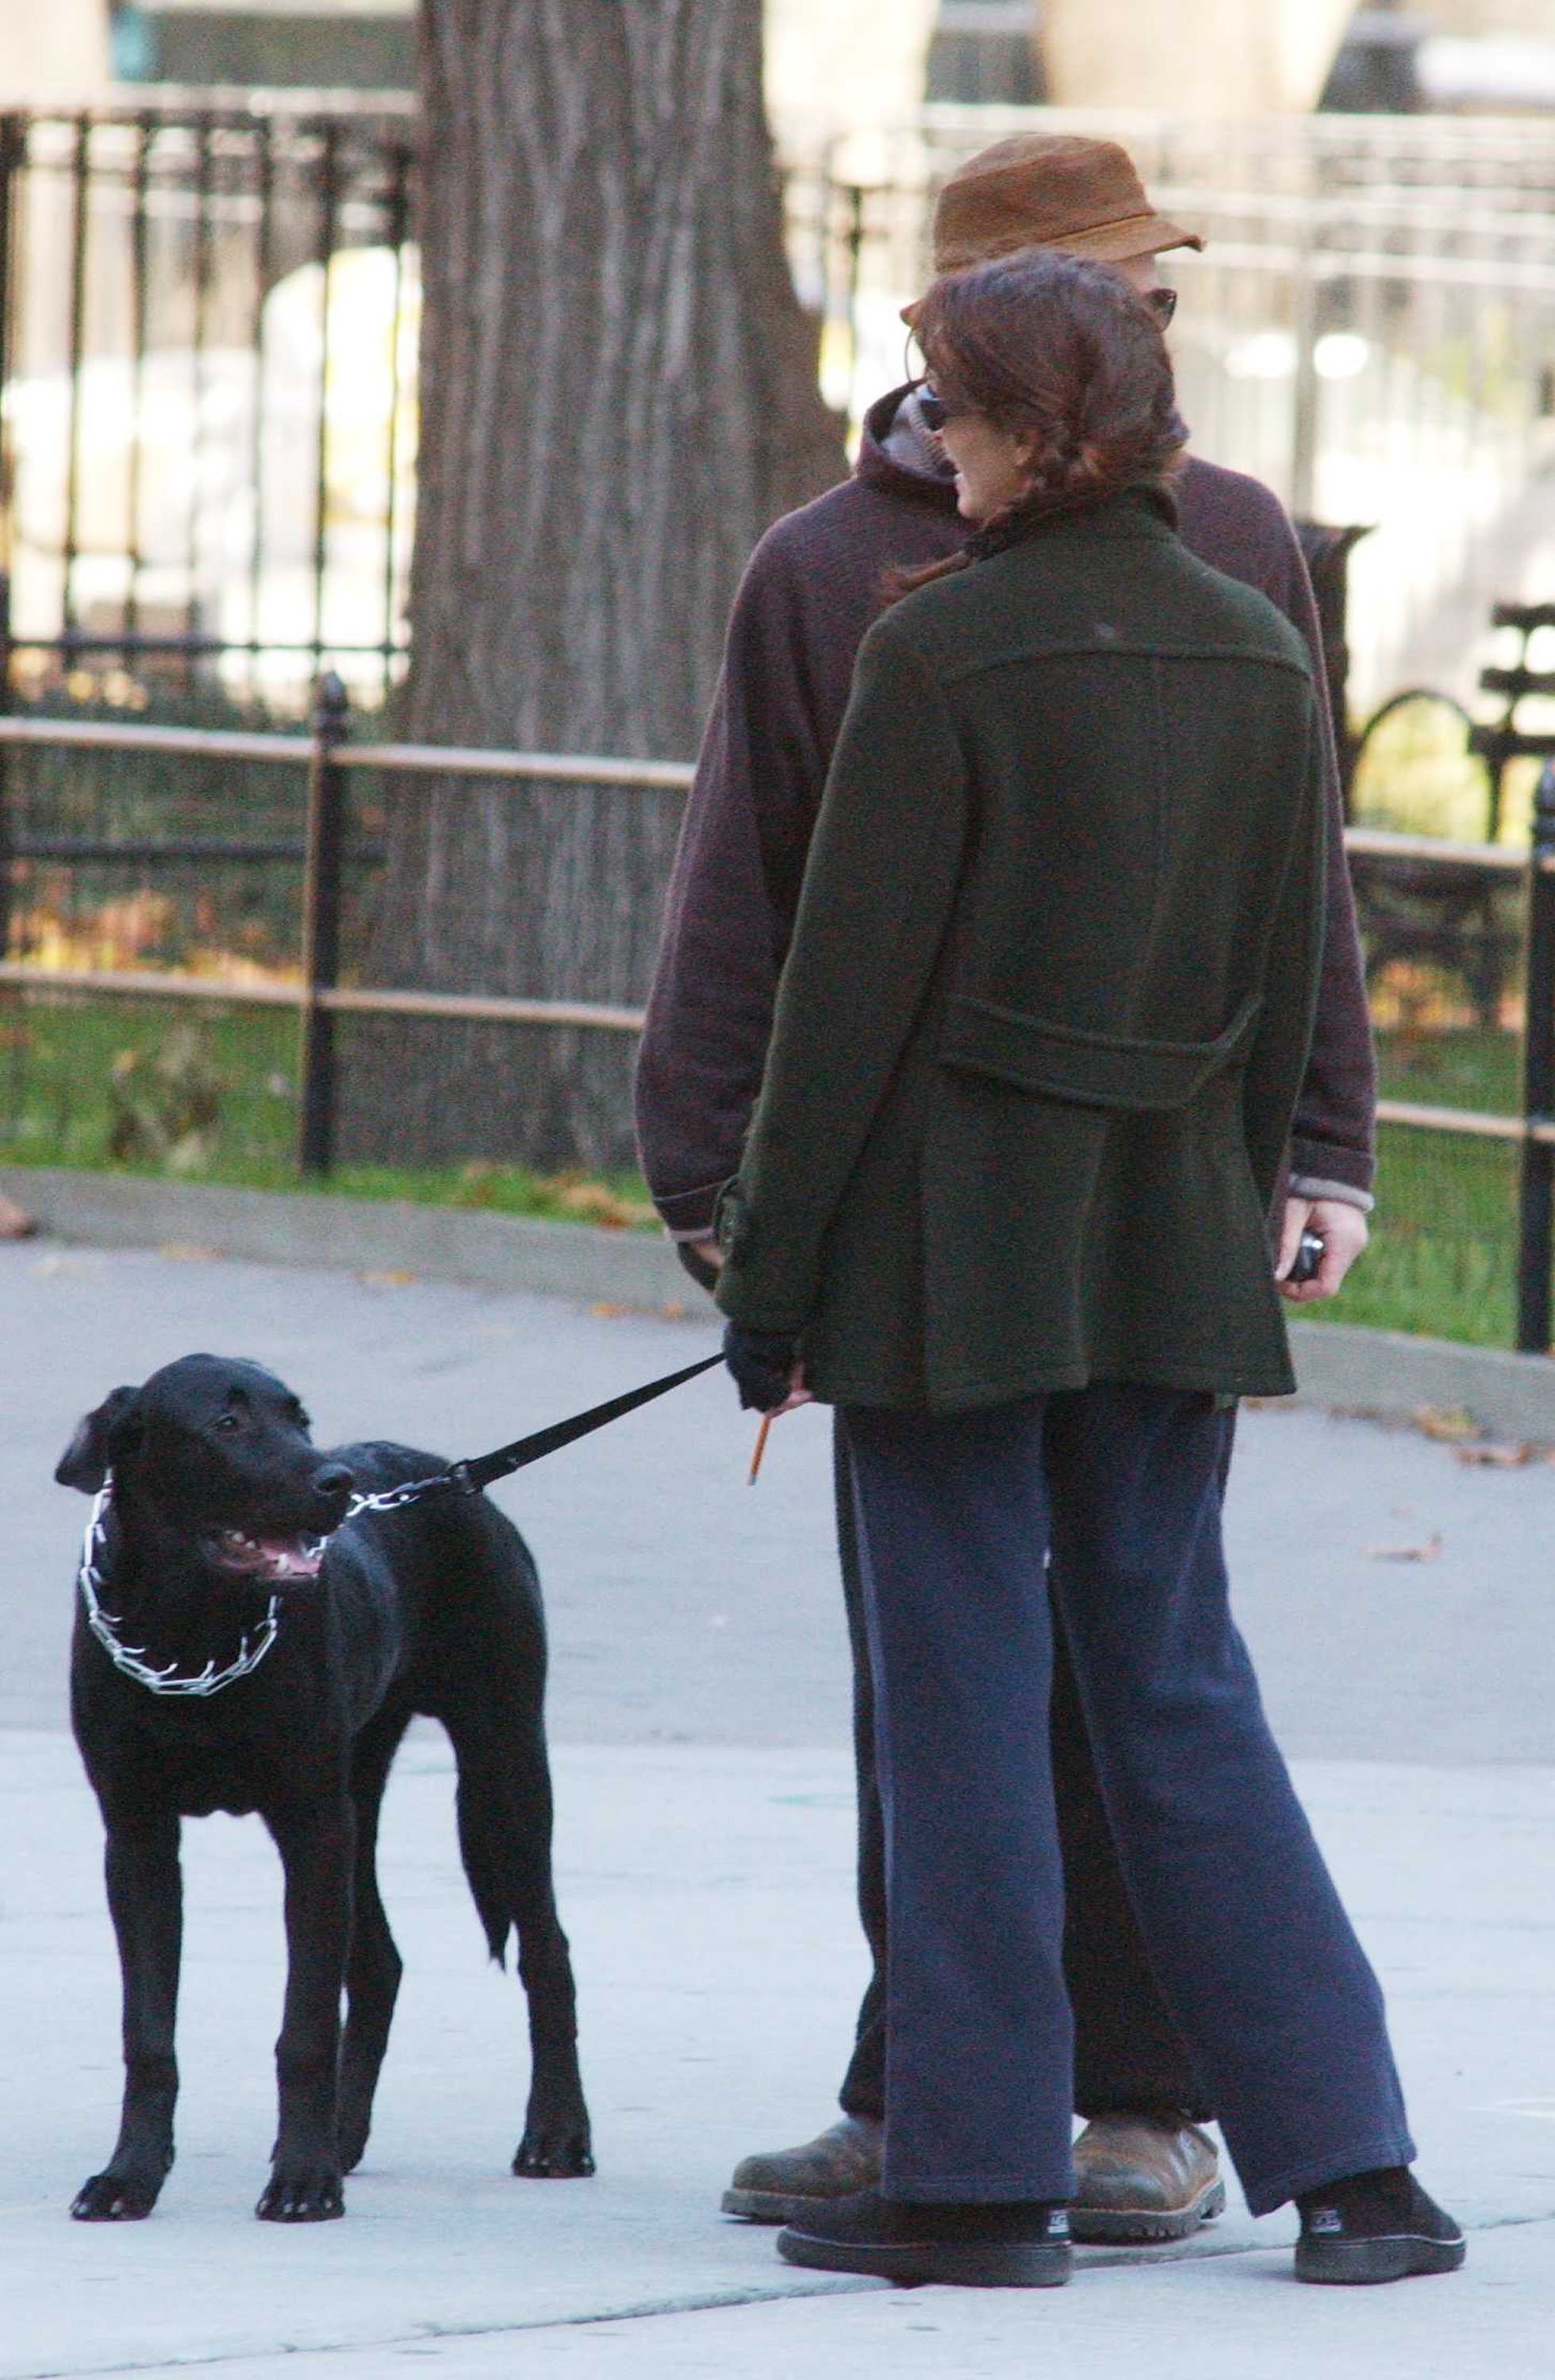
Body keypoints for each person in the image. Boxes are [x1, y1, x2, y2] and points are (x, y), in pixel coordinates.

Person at [635, 134, 1374, 2244]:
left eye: (1152, 280)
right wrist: (715, 1185)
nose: (1153, 311)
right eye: (1108, 287)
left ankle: (1125, 2106)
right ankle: (963, 2088)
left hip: (1133, 1215)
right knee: (960, 1672)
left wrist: (1324, 1143)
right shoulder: (824, 569)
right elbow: (750, 904)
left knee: (1080, 1670)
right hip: (963, 1233)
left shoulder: (1227, 548)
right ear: (973, 338)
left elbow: (1290, 886)